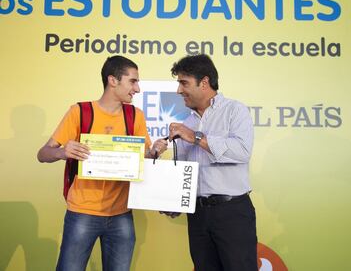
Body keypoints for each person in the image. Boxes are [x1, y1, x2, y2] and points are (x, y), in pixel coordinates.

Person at [37, 55, 167, 271]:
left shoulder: (135, 116)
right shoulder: (80, 112)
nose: (138, 88)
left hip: (121, 214)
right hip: (82, 212)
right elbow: (43, 154)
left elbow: (143, 159)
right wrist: (62, 152)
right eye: (133, 81)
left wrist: (154, 153)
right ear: (113, 80)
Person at [166, 54, 257, 271]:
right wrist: (174, 201)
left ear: (204, 82)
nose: (179, 90)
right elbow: (185, 173)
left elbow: (242, 151)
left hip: (232, 213)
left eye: (184, 83)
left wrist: (196, 137)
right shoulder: (186, 123)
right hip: (197, 215)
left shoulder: (235, 110)